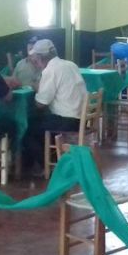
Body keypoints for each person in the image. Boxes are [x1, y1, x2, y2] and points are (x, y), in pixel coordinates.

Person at [24, 39, 87, 171]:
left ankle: (46, 167)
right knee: (41, 124)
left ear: (40, 58)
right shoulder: (71, 65)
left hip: (67, 120)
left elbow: (41, 104)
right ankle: (52, 158)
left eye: (35, 58)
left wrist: (37, 89)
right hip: (81, 118)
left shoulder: (50, 70)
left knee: (27, 129)